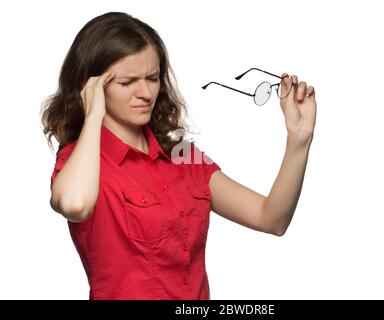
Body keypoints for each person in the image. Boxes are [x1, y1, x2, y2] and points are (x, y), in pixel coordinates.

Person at [40, 12, 317, 300]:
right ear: (91, 87)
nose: (146, 92)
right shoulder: (80, 163)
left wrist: (299, 139)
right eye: (127, 82)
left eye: (152, 78)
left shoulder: (182, 154)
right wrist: (93, 114)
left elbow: (271, 218)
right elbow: (74, 204)